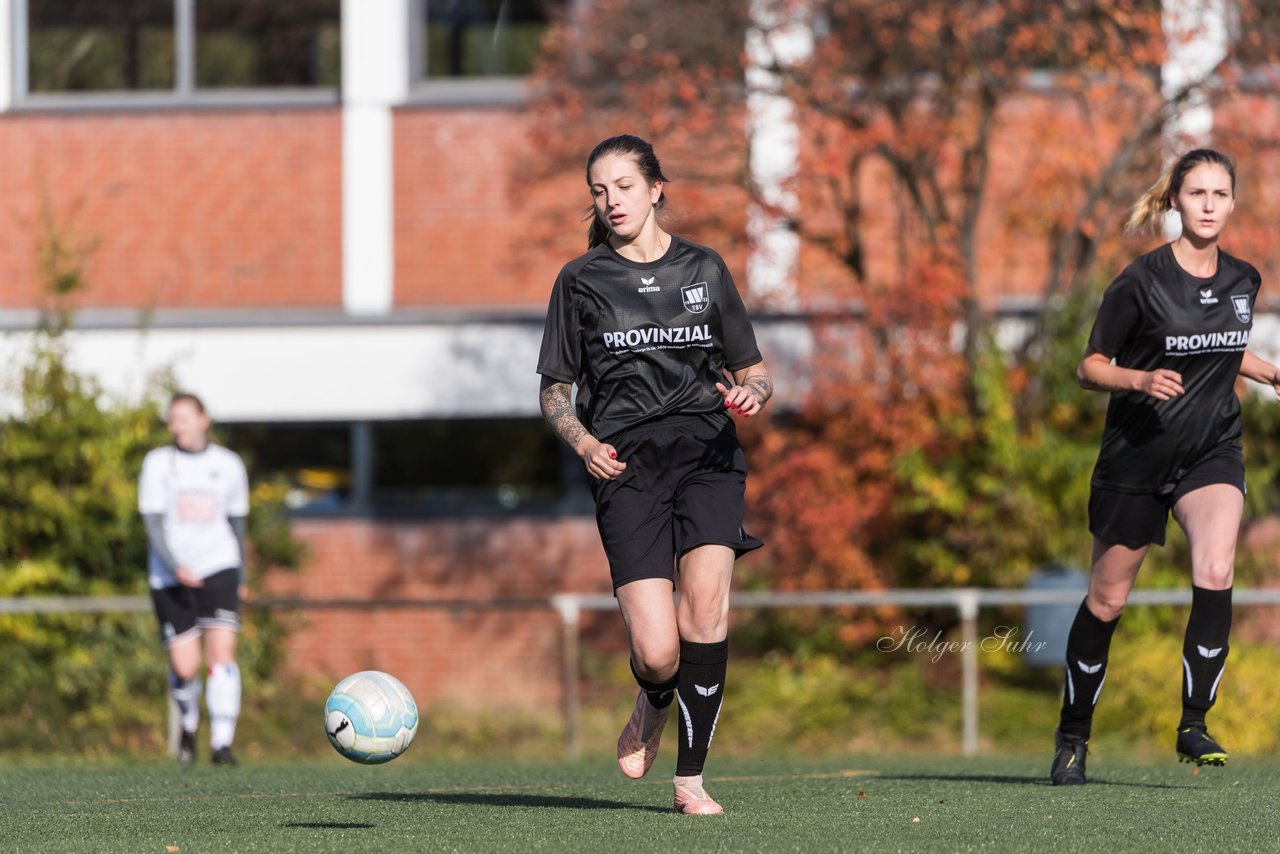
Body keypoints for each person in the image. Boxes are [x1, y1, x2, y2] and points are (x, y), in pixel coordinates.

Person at [537, 134, 773, 814]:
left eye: (624, 186)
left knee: (707, 610)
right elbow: (555, 390)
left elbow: (753, 372)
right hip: (626, 465)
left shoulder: (706, 268)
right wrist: (583, 442)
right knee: (659, 650)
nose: (611, 201)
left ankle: (690, 780)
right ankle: (654, 695)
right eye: (599, 191)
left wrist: (754, 395)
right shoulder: (580, 281)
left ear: (656, 188)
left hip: (707, 454)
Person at [1051, 149, 1280, 786]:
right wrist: (1138, 378)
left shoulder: (1244, 280)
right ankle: (1073, 737)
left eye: (1220, 194)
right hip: (1137, 457)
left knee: (1216, 565)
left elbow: (1221, 351)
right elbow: (1089, 365)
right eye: (1197, 193)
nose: (1209, 205)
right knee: (1107, 599)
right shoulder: (1140, 281)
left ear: (1233, 204)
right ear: (1175, 201)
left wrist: (1268, 372)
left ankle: (1193, 721)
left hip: (1211, 450)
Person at [139, 392, 250, 768]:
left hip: (219, 565)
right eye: (172, 419)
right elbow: (153, 523)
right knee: (185, 669)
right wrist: (174, 565)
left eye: (184, 418)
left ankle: (222, 744)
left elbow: (237, 524)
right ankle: (188, 724)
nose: (177, 426)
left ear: (204, 419)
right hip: (170, 575)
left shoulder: (229, 464)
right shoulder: (158, 464)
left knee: (221, 657)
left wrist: (242, 575)